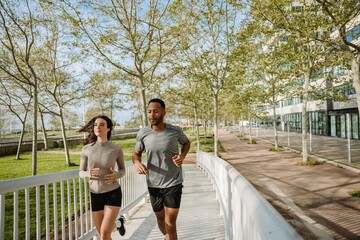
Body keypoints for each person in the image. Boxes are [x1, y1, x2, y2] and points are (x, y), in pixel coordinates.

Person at [132, 98, 191, 240]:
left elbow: (186, 143)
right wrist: (137, 163)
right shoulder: (143, 133)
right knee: (160, 220)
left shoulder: (175, 130)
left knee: (170, 223)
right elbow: (135, 154)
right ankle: (168, 238)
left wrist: (182, 156)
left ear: (163, 112)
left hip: (173, 182)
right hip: (153, 183)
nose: (152, 115)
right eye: (150, 112)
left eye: (156, 111)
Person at [78, 115, 126, 240]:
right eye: (95, 125)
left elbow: (122, 170)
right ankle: (118, 223)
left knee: (104, 234)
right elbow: (81, 172)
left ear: (108, 128)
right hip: (95, 194)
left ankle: (117, 223)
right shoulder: (86, 149)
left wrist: (116, 175)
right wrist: (89, 173)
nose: (97, 127)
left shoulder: (116, 149)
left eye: (101, 124)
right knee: (102, 235)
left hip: (113, 193)